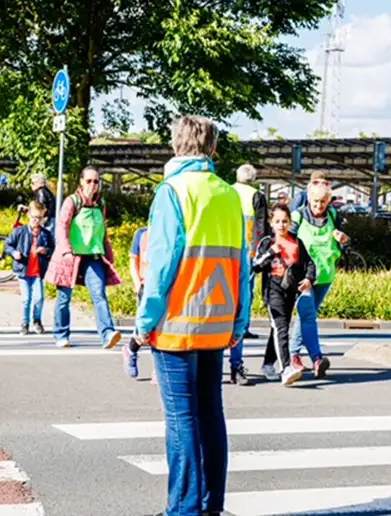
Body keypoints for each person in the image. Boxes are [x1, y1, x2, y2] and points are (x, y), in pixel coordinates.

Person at [134, 115, 250, 516]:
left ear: (175, 146)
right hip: (218, 325)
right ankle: (210, 506)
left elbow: (161, 266)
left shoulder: (172, 192)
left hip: (176, 325)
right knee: (211, 416)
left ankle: (183, 510)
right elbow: (242, 264)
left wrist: (143, 324)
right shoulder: (230, 195)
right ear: (213, 149)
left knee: (181, 419)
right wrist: (239, 322)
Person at [44, 167, 122, 349]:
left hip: (92, 256)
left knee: (99, 295)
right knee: (64, 297)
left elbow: (103, 232)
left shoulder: (100, 204)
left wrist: (108, 253)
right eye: (89, 181)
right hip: (70, 256)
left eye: (96, 181)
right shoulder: (72, 202)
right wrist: (66, 250)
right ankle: (61, 334)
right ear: (81, 182)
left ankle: (107, 334)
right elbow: (62, 227)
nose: (92, 185)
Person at [254, 204, 316, 386]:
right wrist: (270, 253)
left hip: (290, 291)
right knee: (281, 327)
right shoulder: (267, 242)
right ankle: (286, 368)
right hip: (273, 290)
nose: (281, 225)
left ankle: (268, 364)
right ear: (271, 223)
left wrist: (309, 279)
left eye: (284, 221)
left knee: (279, 329)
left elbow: (309, 263)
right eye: (277, 221)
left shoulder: (296, 242)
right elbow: (256, 265)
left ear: (290, 222)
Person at [288, 181, 345, 377]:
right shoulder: (298, 216)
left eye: (322, 201)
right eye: (315, 201)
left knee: (307, 316)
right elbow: (288, 241)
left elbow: (343, 243)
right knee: (308, 316)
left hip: (325, 274)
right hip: (304, 276)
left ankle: (294, 355)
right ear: (309, 199)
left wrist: (344, 240)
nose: (318, 205)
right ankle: (317, 358)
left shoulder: (333, 216)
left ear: (328, 201)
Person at [229, 163, 270, 385]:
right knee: (245, 298)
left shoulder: (227, 191)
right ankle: (242, 333)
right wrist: (259, 252)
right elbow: (262, 227)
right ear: (253, 178)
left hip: (225, 252)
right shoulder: (257, 196)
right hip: (248, 253)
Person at [5, 201, 55, 335]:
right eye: (34, 217)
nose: (36, 221)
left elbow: (52, 249)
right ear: (28, 215)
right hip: (23, 270)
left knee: (39, 298)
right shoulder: (20, 231)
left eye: (40, 218)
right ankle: (25, 322)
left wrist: (45, 251)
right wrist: (14, 253)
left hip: (38, 272)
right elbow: (8, 244)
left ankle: (37, 320)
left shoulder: (45, 234)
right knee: (26, 299)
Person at [124, 225, 149, 378]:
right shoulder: (141, 234)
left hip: (165, 286)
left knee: (162, 330)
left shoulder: (171, 231)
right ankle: (131, 351)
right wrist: (137, 284)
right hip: (145, 287)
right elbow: (133, 261)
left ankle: (158, 370)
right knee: (143, 329)